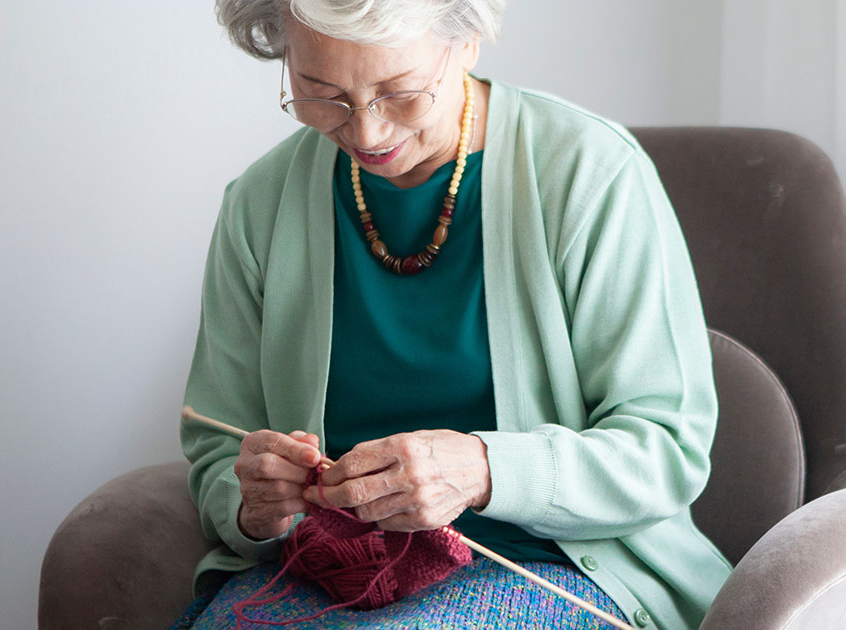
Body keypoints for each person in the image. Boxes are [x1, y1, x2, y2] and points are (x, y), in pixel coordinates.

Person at [176, 0, 732, 627]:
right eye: (321, 92)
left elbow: (667, 450)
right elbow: (216, 444)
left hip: (555, 567)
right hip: (331, 570)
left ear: (467, 45)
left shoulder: (591, 174)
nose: (366, 131)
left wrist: (484, 470)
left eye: (400, 93)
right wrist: (252, 502)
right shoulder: (258, 205)